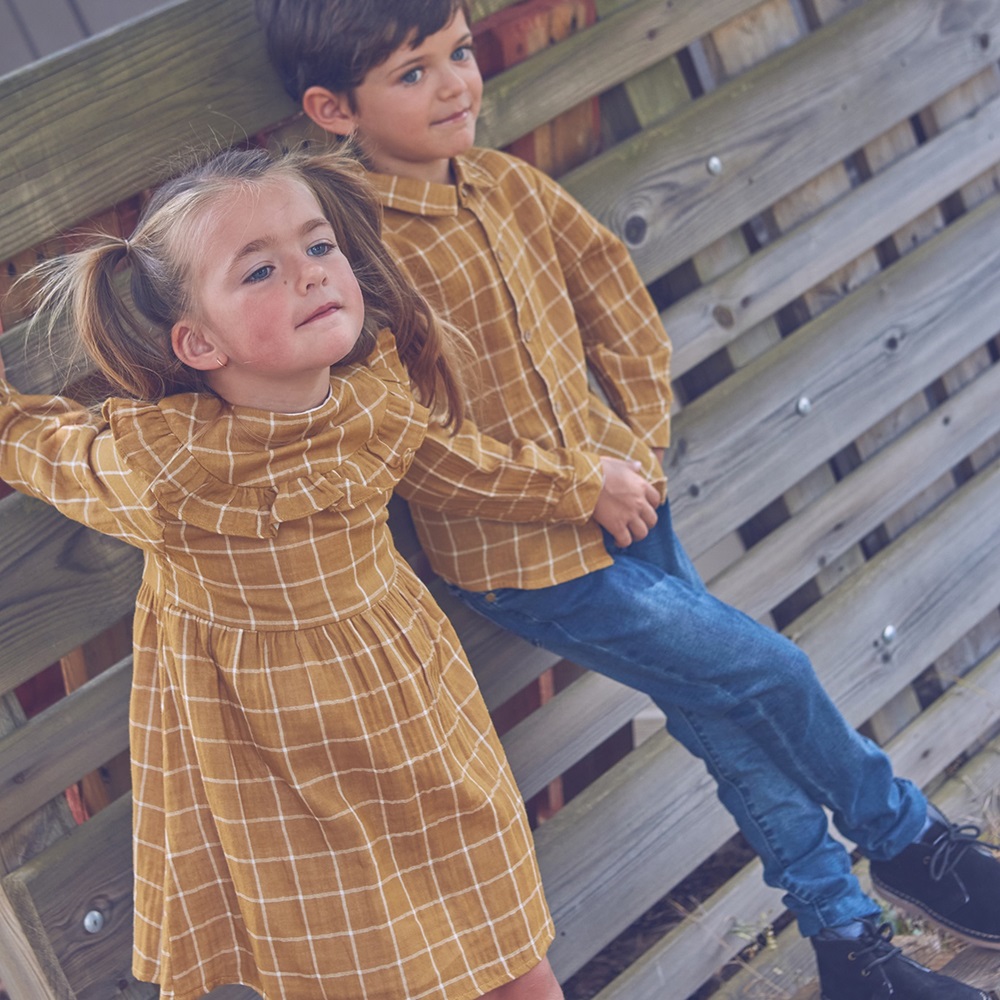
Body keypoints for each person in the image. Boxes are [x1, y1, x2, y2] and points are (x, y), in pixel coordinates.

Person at [252, 2, 1000, 998]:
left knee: (724, 717)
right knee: (765, 671)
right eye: (413, 73)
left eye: (460, 53)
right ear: (330, 107)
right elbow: (407, 445)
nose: (456, 85)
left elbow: (614, 292)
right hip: (530, 562)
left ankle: (847, 945)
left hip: (629, 505)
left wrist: (634, 443)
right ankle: (908, 841)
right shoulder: (351, 250)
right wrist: (575, 483)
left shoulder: (507, 185)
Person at [0, 145, 565, 1000]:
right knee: (365, 972)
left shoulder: (373, 401)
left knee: (505, 940)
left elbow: (450, 464)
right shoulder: (169, 472)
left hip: (418, 719)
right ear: (195, 341)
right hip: (274, 765)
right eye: (260, 269)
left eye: (318, 246)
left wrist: (581, 486)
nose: (309, 274)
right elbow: (36, 446)